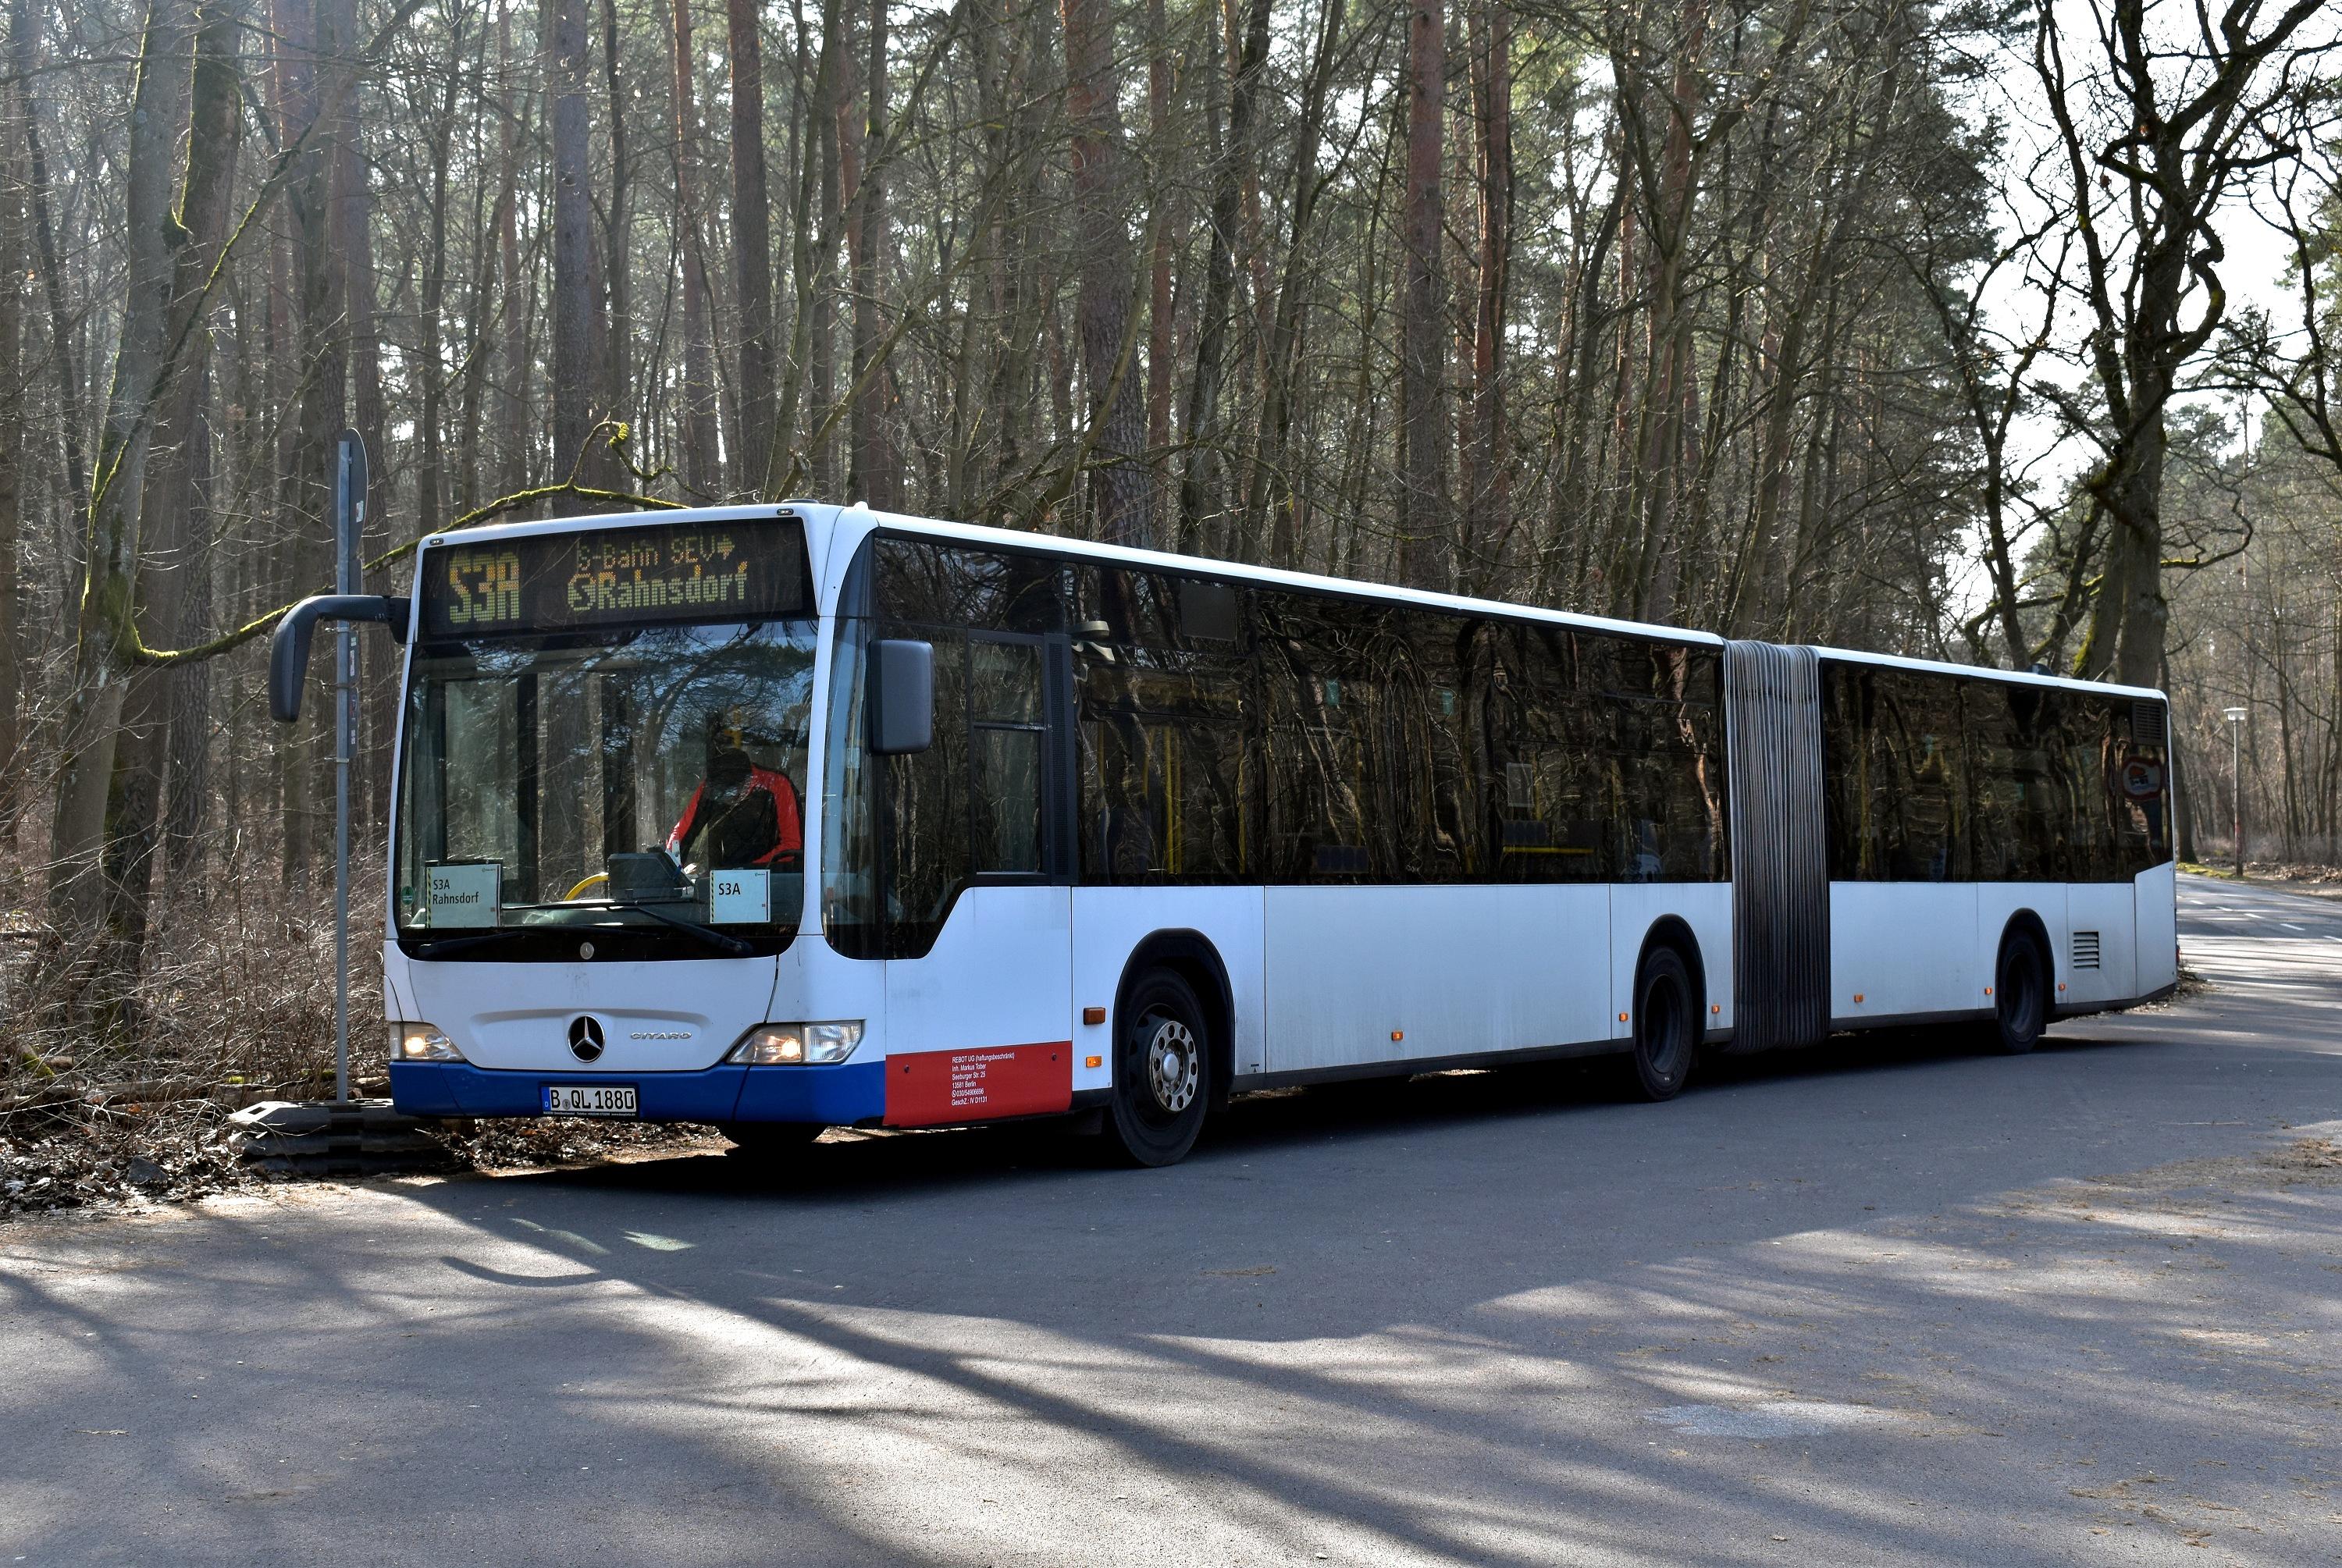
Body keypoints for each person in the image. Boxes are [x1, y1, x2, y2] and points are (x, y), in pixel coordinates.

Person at [667, 708, 803, 871]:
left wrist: (746, 871)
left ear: (749, 776)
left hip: (772, 881)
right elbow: (681, 834)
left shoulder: (777, 785)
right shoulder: (710, 787)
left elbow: (791, 847)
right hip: (723, 881)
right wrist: (668, 865)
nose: (729, 795)